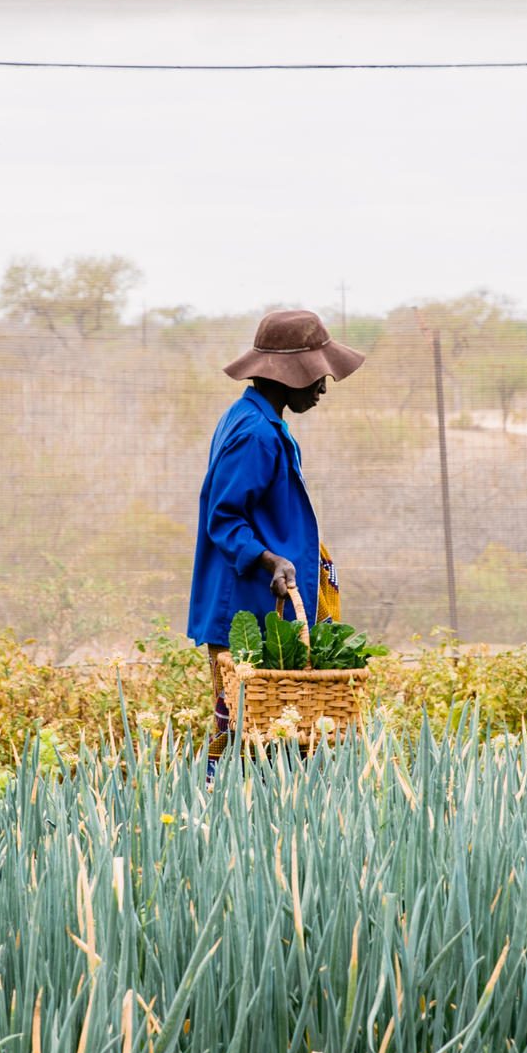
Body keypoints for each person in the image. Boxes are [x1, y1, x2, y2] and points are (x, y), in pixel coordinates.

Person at [187, 309, 365, 759]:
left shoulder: (257, 420)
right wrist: (272, 560)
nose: (323, 387)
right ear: (287, 376)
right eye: (316, 375)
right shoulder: (256, 435)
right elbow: (224, 519)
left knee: (262, 739)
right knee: (253, 744)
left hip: (261, 606)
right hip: (246, 605)